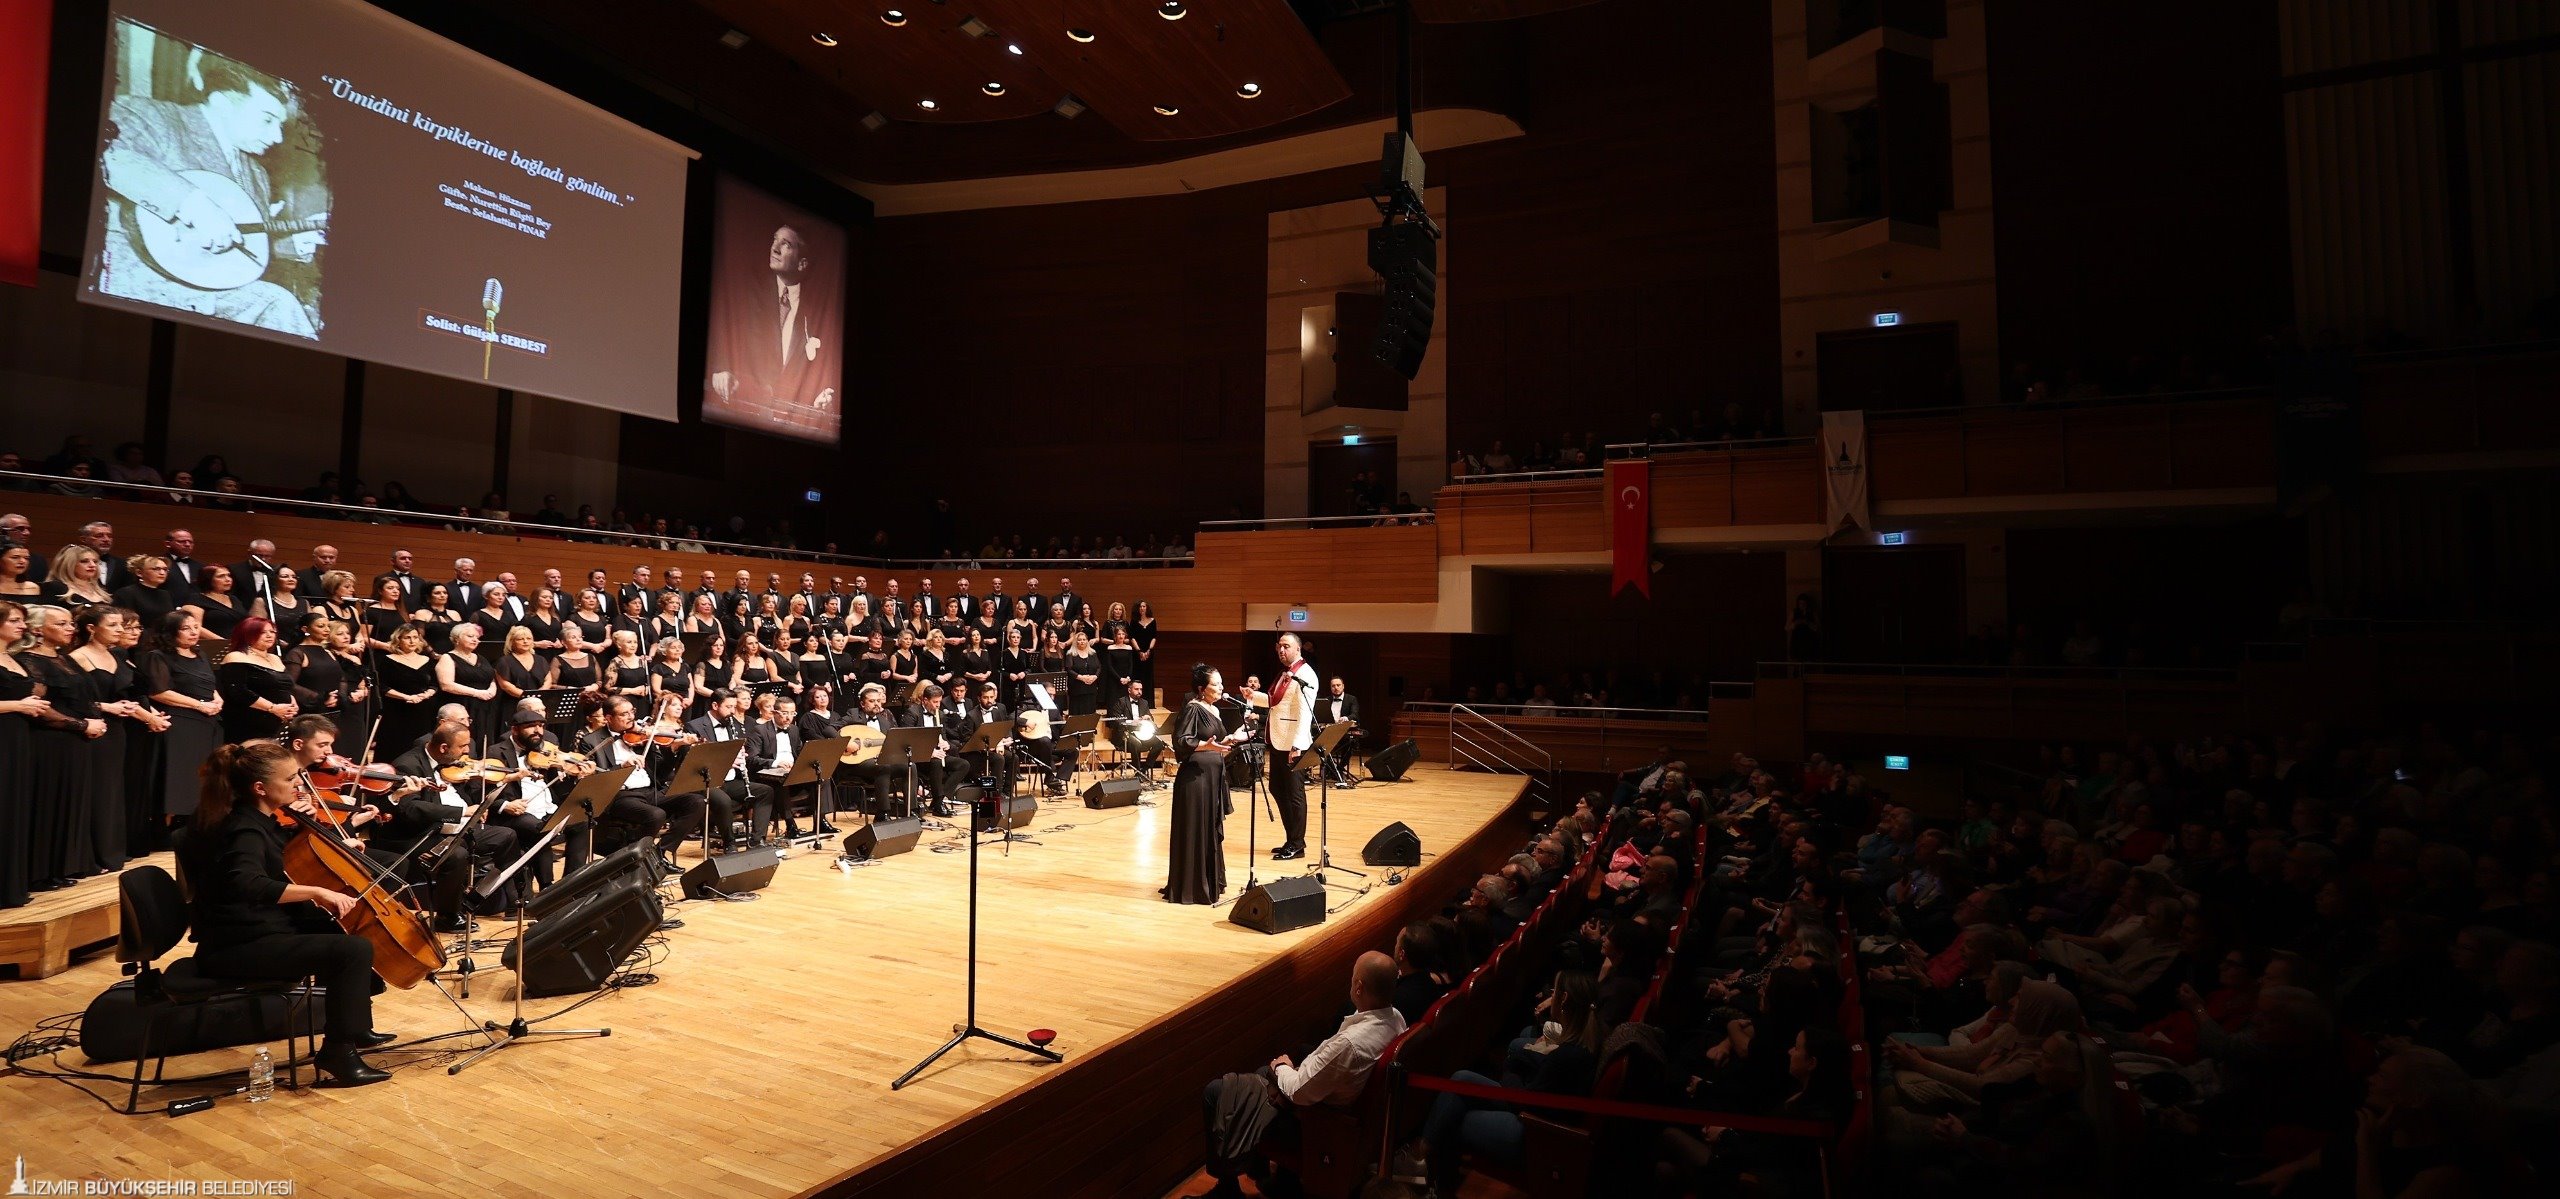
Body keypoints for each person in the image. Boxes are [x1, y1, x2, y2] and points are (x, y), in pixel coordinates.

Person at [181, 742, 393, 1087]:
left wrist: (336, 844)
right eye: (291, 778)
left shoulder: (259, 819)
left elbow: (286, 856)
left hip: (258, 931)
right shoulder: (244, 829)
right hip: (235, 946)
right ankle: (338, 1053)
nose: (299, 784)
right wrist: (317, 891)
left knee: (341, 929)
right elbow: (247, 883)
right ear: (260, 788)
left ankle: (354, 1029)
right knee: (352, 950)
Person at [96, 55, 322, 338]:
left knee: (280, 304)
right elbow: (109, 155)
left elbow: (237, 242)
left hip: (209, 292)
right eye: (267, 119)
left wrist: (294, 243)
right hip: (133, 275)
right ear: (222, 103)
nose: (277, 137)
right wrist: (192, 204)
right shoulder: (153, 116)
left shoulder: (257, 175)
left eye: (280, 124)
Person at [1200, 952, 1409, 1196]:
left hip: (1321, 1128)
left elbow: (1298, 1092)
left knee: (1216, 1091)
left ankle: (1227, 1189)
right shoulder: (1395, 1017)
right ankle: (1276, 1179)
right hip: (1354, 1119)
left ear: (1359, 987)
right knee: (1262, 1076)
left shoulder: (1349, 1045)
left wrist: (1282, 1066)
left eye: (1353, 978)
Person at [1166, 664, 1244, 905]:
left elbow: (1215, 743)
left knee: (1209, 829)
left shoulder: (1214, 709)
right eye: (1215, 684)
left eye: (1221, 683)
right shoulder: (1192, 708)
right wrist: (1206, 746)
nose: (1221, 687)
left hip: (1212, 779)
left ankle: (1209, 880)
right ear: (1202, 688)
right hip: (1195, 781)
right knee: (1196, 830)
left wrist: (1231, 739)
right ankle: (1192, 887)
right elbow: (1181, 740)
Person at [1259, 633, 1319, 861]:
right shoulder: (1286, 672)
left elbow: (1305, 713)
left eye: (1286, 646)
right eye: (1279, 646)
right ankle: (1291, 839)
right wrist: (1252, 696)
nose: (1281, 650)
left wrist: (1298, 745)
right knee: (1277, 788)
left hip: (1292, 743)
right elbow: (1275, 702)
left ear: (1298, 649)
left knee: (1294, 794)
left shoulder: (1305, 674)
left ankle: (1297, 844)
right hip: (1279, 740)